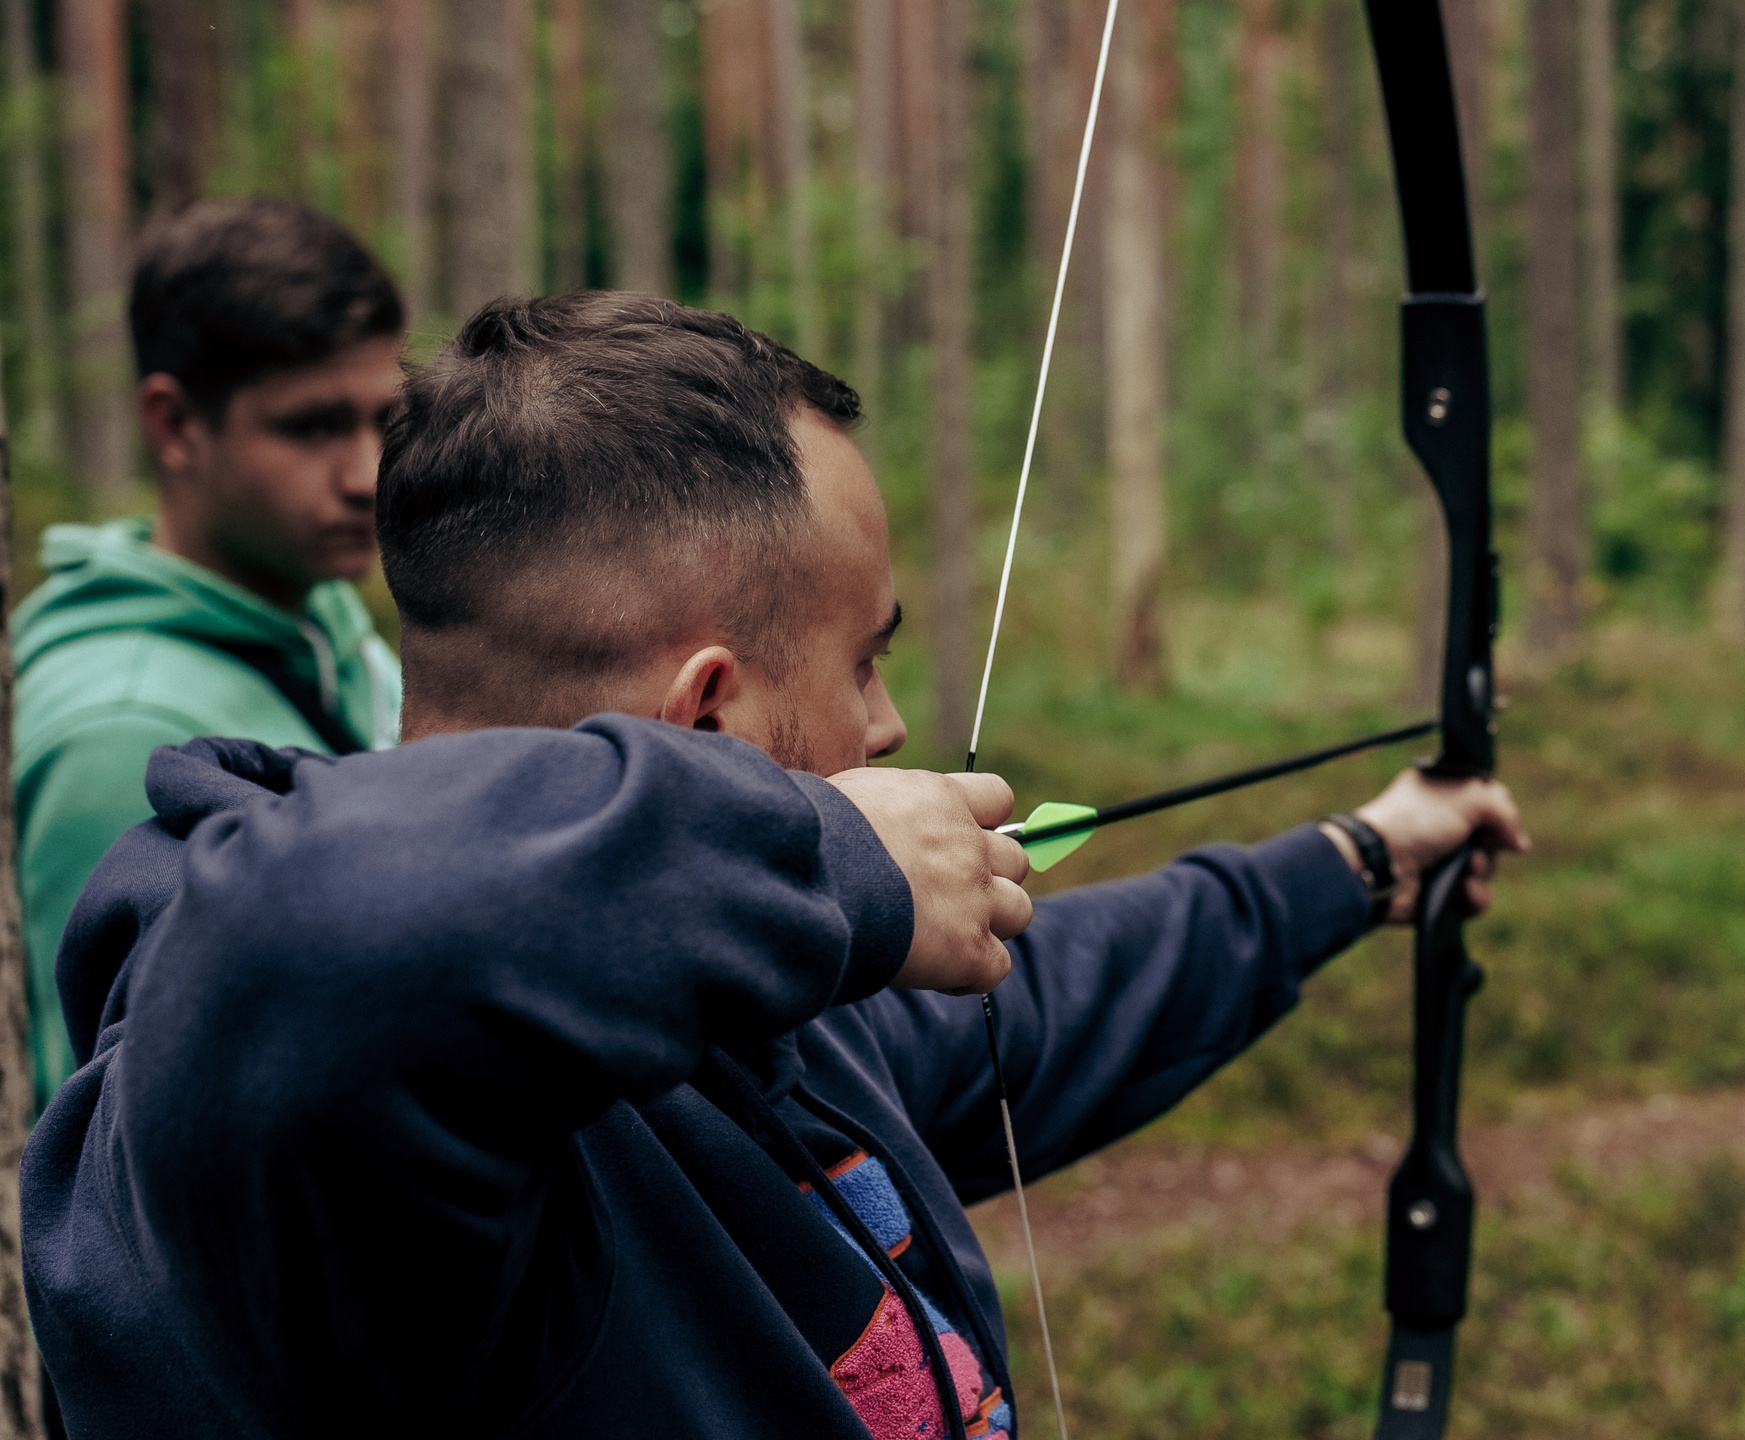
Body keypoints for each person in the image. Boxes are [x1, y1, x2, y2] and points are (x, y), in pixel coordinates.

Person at [24, 292, 1527, 1439]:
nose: (888, 727)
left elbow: (1035, 996)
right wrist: (833, 853)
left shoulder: (725, 990)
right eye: (866, 663)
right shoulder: (331, 1131)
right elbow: (319, 934)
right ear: (706, 714)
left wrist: (1361, 859)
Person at [11, 198, 404, 1108]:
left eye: (385, 419)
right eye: (312, 426)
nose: (367, 474)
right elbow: (121, 1134)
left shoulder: (320, 621)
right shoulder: (124, 731)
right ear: (176, 424)